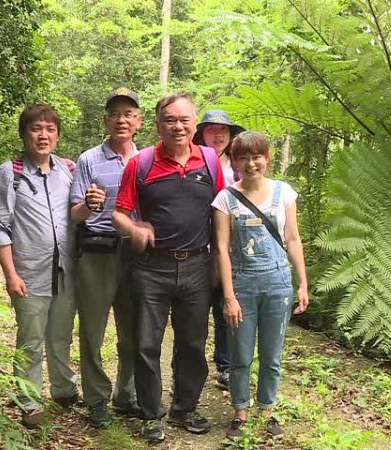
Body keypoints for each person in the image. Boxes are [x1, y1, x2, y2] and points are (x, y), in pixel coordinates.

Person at [112, 92, 225, 442]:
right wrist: (134, 229)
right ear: (158, 124)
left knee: (192, 342)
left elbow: (222, 211)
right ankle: (151, 414)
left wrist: (222, 263)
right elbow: (119, 212)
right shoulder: (141, 163)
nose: (178, 127)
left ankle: (185, 409)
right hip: (151, 268)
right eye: (170, 120)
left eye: (184, 120)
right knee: (147, 343)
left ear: (195, 124)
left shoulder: (208, 161)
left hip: (197, 266)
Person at [211, 131, 309, 441]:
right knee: (240, 353)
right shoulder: (225, 198)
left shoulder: (284, 193)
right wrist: (229, 296)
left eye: (257, 156)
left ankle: (267, 410)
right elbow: (222, 250)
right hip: (243, 285)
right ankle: (240, 412)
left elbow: (293, 240)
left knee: (272, 353)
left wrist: (303, 282)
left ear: (266, 158)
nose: (251, 163)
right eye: (243, 157)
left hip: (278, 284)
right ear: (235, 161)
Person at [0, 104, 79, 429]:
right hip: (28, 273)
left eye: (50, 129)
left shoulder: (68, 169)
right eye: (36, 128)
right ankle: (29, 401)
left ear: (57, 135)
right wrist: (11, 274)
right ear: (24, 134)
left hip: (66, 272)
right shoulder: (9, 173)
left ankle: (65, 390)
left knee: (61, 336)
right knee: (30, 340)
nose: (43, 135)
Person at [70, 88, 142, 428]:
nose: (121, 119)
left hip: (135, 255)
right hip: (97, 252)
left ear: (139, 122)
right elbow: (75, 214)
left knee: (133, 331)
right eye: (115, 113)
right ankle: (96, 399)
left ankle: (126, 394)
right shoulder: (88, 160)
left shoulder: (148, 161)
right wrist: (90, 203)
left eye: (128, 113)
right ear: (105, 120)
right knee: (93, 332)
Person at [192, 110, 245, 390]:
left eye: (224, 130)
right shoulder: (194, 161)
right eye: (212, 130)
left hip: (231, 250)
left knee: (227, 308)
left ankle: (225, 366)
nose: (219, 135)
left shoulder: (238, 167)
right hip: (200, 248)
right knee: (197, 312)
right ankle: (191, 368)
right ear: (201, 133)